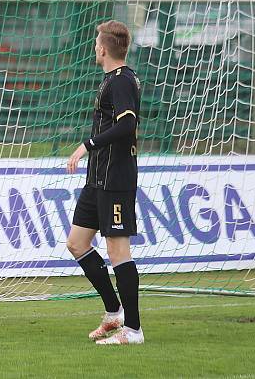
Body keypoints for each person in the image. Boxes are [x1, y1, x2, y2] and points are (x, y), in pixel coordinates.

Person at [66, 20, 144, 345]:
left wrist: (88, 144)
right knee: (77, 243)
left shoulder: (123, 80)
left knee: (117, 251)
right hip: (97, 179)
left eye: (97, 42)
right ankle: (114, 312)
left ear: (103, 47)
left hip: (115, 180)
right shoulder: (111, 80)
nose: (94, 47)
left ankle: (134, 330)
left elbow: (128, 124)